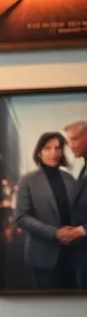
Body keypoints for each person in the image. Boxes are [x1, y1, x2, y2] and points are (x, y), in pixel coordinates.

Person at [13, 132, 80, 290]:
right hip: (43, 255)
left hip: (72, 254)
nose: (53, 153)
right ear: (39, 152)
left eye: (57, 148)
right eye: (47, 148)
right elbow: (21, 217)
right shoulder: (28, 180)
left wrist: (75, 231)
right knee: (47, 302)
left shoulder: (70, 179)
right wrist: (55, 233)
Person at [64, 120, 87, 288]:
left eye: (74, 139)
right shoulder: (83, 168)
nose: (70, 145)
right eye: (68, 141)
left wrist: (82, 230)